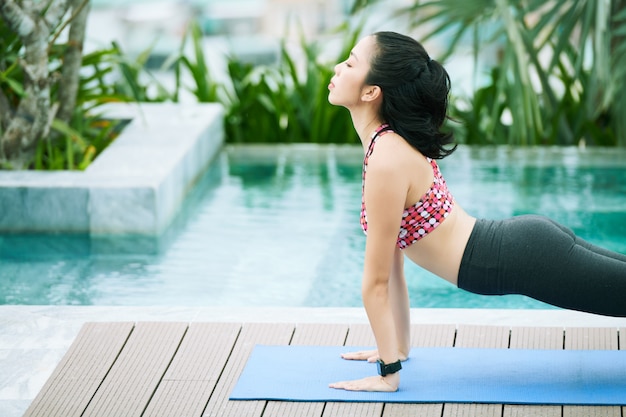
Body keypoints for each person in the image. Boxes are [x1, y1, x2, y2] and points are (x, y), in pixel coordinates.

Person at [326, 31, 626, 393]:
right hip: (522, 247)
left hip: (521, 258)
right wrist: (397, 350)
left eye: (350, 63)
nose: (337, 68)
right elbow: (393, 267)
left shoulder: (386, 159)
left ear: (371, 91)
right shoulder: (388, 146)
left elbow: (374, 285)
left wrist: (387, 373)